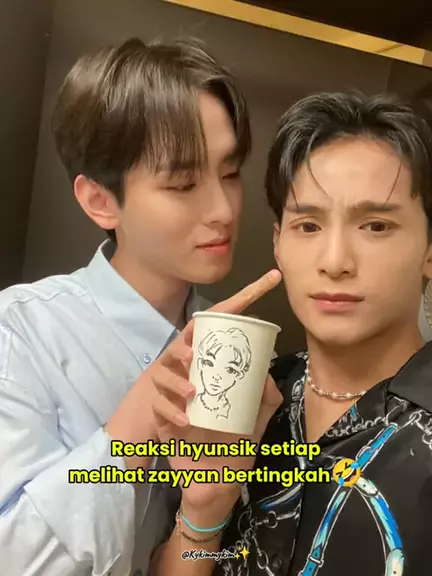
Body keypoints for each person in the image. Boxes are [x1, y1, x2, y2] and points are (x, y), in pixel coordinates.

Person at [0, 36, 283, 576]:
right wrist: (133, 426)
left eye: (230, 173)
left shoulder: (233, 351)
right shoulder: (21, 329)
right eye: (183, 183)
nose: (223, 210)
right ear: (99, 200)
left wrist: (206, 511)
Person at [148, 90, 432, 576]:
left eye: (375, 226)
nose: (335, 262)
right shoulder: (249, 400)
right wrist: (203, 512)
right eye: (308, 226)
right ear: (279, 243)